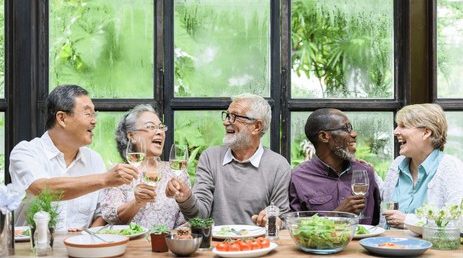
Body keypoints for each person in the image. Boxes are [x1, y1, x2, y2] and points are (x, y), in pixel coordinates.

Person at [9, 85, 139, 231]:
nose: (94, 121)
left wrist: (86, 235)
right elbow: (43, 189)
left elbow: (100, 214)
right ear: (62, 118)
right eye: (88, 114)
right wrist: (104, 179)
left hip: (79, 250)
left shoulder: (94, 160)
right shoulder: (26, 152)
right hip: (31, 250)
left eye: (94, 115)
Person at [166, 93, 291, 228]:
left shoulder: (278, 166)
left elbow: (282, 220)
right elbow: (199, 216)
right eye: (227, 115)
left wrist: (273, 221)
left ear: (256, 127)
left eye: (234, 116)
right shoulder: (210, 158)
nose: (226, 122)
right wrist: (186, 198)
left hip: (257, 246)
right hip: (216, 246)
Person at [99, 104, 186, 229]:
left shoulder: (177, 172)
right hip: (129, 246)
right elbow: (111, 217)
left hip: (166, 246)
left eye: (161, 127)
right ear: (131, 136)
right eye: (150, 127)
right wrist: (137, 202)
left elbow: (186, 220)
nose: (159, 132)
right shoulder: (119, 173)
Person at [289, 108, 381, 225]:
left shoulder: (365, 172)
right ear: (324, 136)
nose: (354, 134)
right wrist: (337, 216)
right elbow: (297, 229)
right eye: (346, 129)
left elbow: (374, 222)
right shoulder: (298, 178)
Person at [381, 103, 463, 229]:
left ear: (426, 132)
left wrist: (408, 221)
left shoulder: (450, 168)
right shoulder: (397, 164)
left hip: (430, 249)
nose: (396, 131)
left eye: (403, 126)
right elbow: (384, 221)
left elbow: (458, 223)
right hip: (388, 246)